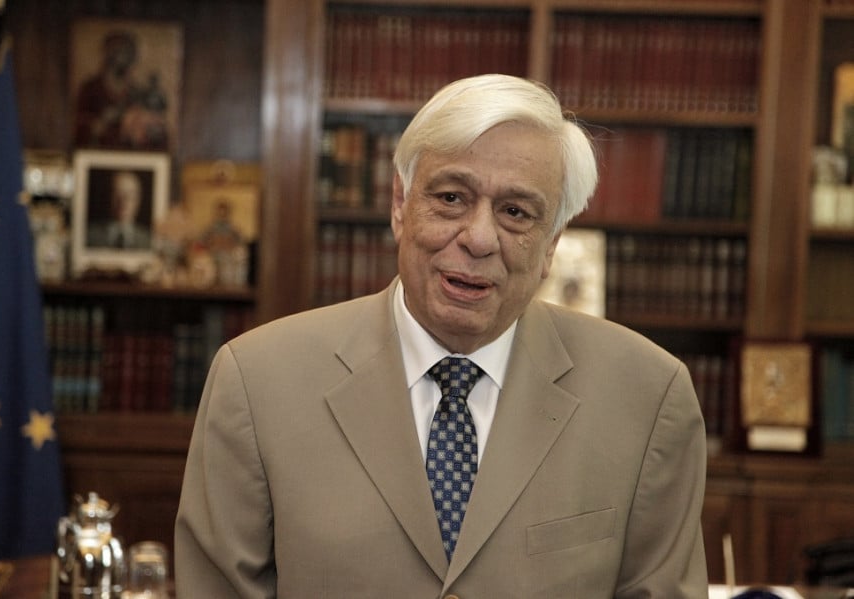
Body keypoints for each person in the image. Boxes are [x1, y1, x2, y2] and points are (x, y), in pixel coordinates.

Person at [175, 74, 708, 598]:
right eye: (452, 198)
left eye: (515, 212)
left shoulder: (648, 398)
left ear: (551, 244)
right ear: (400, 204)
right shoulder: (256, 382)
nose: (478, 238)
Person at [86, 170, 151, 250]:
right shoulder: (89, 236)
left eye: (130, 194)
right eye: (117, 193)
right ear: (108, 196)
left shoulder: (148, 240)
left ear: (138, 200)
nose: (123, 201)